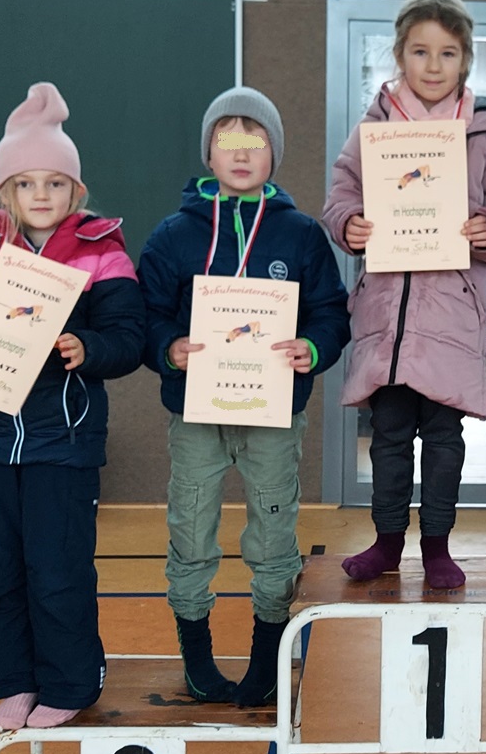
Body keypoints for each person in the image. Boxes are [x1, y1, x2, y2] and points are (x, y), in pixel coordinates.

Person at [0, 82, 145, 729]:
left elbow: (129, 339)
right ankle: (15, 682)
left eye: (54, 183)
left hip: (63, 446)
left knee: (57, 570)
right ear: (5, 193)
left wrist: (87, 347)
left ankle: (71, 683)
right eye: (25, 183)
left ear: (76, 190)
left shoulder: (103, 253)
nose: (40, 194)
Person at [138, 86, 350, 707]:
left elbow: (331, 313)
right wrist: (169, 346)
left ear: (274, 153)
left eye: (254, 141)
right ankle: (198, 661)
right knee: (190, 527)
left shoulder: (302, 235)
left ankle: (266, 658)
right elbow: (145, 315)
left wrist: (312, 347)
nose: (239, 152)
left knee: (274, 531)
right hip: (196, 414)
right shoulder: (174, 235)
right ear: (208, 152)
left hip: (273, 414)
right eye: (226, 140)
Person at [321, 0, 486, 589]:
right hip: (385, 321)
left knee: (444, 438)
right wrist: (348, 223)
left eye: (447, 53)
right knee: (388, 438)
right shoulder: (373, 129)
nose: (433, 65)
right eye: (420, 52)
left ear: (465, 59)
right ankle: (387, 542)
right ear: (400, 56)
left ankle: (437, 545)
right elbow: (341, 193)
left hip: (451, 317)